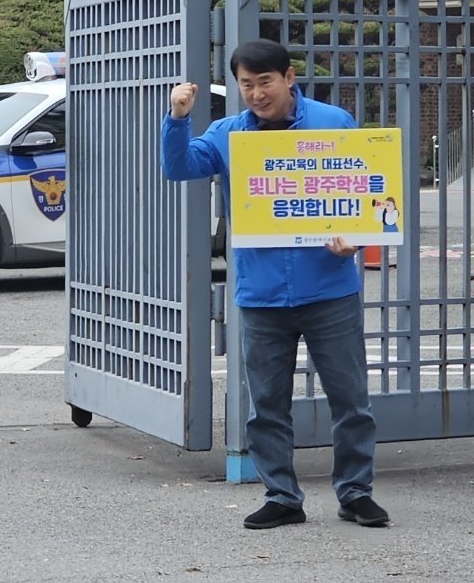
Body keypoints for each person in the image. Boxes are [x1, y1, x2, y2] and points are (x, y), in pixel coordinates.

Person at [161, 38, 387, 530]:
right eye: (247, 85)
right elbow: (178, 168)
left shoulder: (333, 123)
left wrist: (358, 240)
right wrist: (178, 118)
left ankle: (355, 492)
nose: (257, 94)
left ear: (289, 76)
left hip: (329, 288)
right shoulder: (226, 134)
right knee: (267, 404)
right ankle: (282, 496)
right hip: (261, 292)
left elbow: (363, 191)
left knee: (351, 400)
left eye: (265, 82)